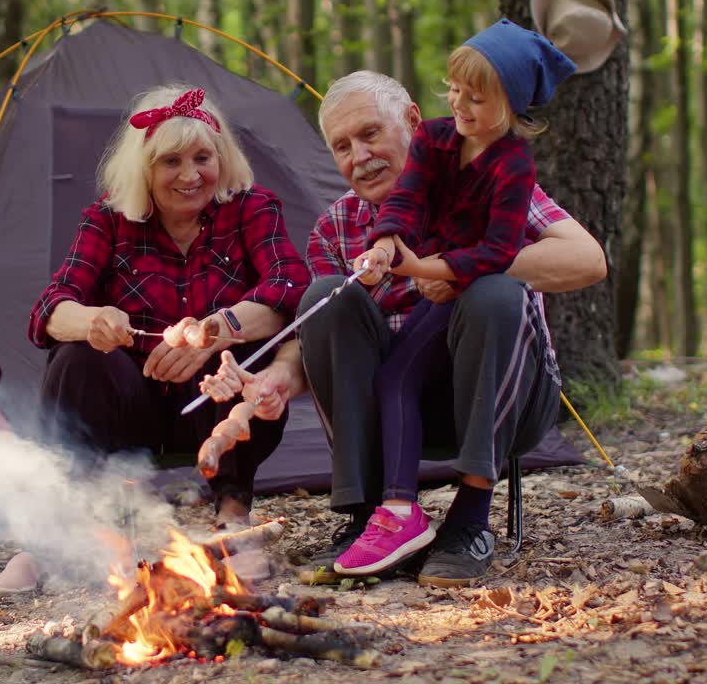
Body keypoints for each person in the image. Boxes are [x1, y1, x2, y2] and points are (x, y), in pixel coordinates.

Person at [201, 63, 605, 586]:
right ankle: (368, 512)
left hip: (503, 401)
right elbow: (316, 339)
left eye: (370, 133)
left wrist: (469, 262)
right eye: (343, 147)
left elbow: (588, 260)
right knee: (324, 296)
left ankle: (471, 520)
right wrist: (277, 380)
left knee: (494, 290)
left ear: (413, 121)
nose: (360, 157)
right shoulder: (336, 227)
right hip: (393, 410)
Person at [27, 84, 310, 530]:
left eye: (202, 158)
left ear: (222, 158)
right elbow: (49, 310)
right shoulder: (107, 219)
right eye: (171, 161)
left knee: (233, 363)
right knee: (77, 356)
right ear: (144, 168)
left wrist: (216, 330)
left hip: (212, 411)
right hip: (130, 411)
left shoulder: (251, 208)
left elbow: (291, 289)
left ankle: (233, 517)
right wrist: (94, 321)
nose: (190, 175)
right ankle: (67, 532)